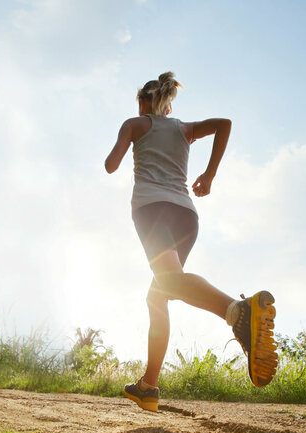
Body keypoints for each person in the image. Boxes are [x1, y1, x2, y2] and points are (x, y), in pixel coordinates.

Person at [104, 72, 278, 412]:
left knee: (168, 283)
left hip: (152, 210)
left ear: (143, 103)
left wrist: (127, 138)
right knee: (159, 294)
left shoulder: (134, 124)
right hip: (186, 214)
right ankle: (149, 386)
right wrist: (209, 175)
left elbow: (111, 166)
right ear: (168, 107)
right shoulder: (184, 128)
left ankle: (238, 312)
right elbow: (224, 124)